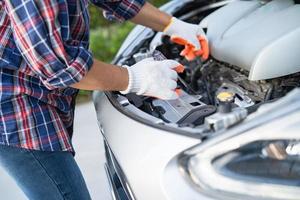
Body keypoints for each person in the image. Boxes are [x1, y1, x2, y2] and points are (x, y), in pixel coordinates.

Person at [0, 0, 208, 199]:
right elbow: (57, 66)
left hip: (39, 91)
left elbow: (115, 1)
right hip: (13, 106)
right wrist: (133, 79)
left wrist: (172, 25)